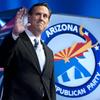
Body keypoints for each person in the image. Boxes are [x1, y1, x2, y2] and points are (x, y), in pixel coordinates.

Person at [0, 2, 56, 100]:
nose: (41, 18)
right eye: (38, 14)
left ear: (48, 22)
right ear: (29, 17)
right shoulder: (16, 40)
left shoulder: (49, 52)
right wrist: (15, 34)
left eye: (45, 16)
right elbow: (1, 60)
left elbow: (50, 86)